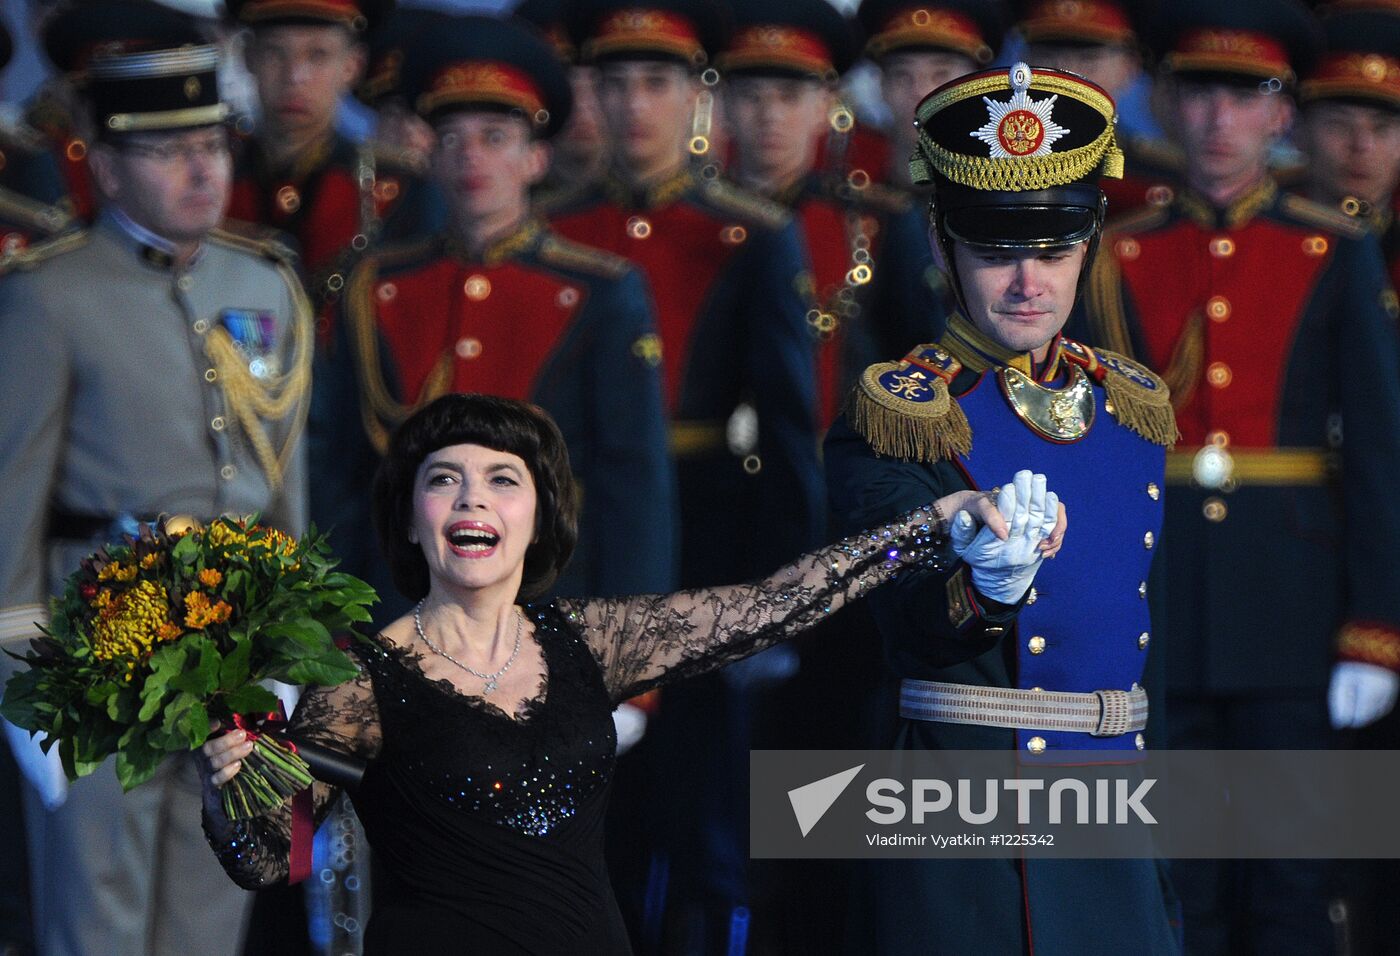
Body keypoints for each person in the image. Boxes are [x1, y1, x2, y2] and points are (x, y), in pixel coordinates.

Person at [200, 391, 1063, 955]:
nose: (472, 499)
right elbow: (272, 861)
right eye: (444, 481)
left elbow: (774, 603)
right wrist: (226, 796)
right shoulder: (355, 681)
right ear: (412, 518)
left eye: (502, 480)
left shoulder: (592, 639)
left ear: (537, 517)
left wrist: (936, 523)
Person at [824, 61, 1180, 954]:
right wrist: (985, 584)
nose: (1028, 280)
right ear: (943, 244)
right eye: (995, 250)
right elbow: (906, 613)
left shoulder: (1130, 401)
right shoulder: (904, 410)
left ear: (1090, 240)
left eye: (1054, 249)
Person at [1078, 1, 1400, 951]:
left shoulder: (1333, 251)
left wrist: (1377, 627)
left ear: (1282, 114)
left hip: (1295, 605)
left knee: (1296, 878)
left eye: (1246, 97)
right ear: (1167, 107)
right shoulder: (1119, 250)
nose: (1220, 122)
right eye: (1200, 96)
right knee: (1178, 873)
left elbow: (1380, 453)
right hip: (1160, 593)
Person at [0, 13, 312, 956]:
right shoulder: (50, 295)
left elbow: (286, 489)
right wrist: (23, 694)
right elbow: (9, 504)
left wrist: (294, 656)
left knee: (214, 911)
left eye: (213, 144)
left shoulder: (265, 285)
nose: (202, 169)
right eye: (170, 150)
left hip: (241, 641)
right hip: (98, 644)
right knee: (97, 921)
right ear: (106, 167)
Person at [328, 14, 676, 620]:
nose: (471, 158)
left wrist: (632, 658)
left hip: (550, 599)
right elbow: (341, 471)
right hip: (398, 603)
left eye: (494, 137)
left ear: (537, 158)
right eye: (452, 139)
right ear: (429, 155)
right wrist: (328, 626)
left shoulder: (600, 289)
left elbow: (634, 485)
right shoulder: (379, 283)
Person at [719, 0, 948, 429]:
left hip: (844, 465)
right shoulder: (700, 219)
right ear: (725, 105)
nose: (770, 115)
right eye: (751, 96)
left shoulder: (877, 223)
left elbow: (920, 361)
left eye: (789, 97)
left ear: (826, 104)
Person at [223, 0, 441, 317]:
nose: (294, 76)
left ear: (352, 66)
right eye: (275, 53)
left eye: (318, 55)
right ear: (248, 57)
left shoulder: (398, 187)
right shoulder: (215, 178)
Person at [1013, 0, 1183, 219]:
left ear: (1129, 67)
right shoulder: (983, 167)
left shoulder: (1162, 177)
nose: (1066, 74)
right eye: (1048, 56)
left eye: (1089, 59)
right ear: (1022, 62)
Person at [851, 0, 1007, 191]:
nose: (920, 91)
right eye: (902, 75)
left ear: (974, 86)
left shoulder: (1003, 186)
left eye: (941, 74)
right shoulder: (846, 186)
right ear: (882, 86)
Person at [1297, 3, 1400, 292]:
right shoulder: (1261, 241)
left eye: (1382, 128)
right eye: (1339, 125)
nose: (1362, 146)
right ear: (1299, 132)